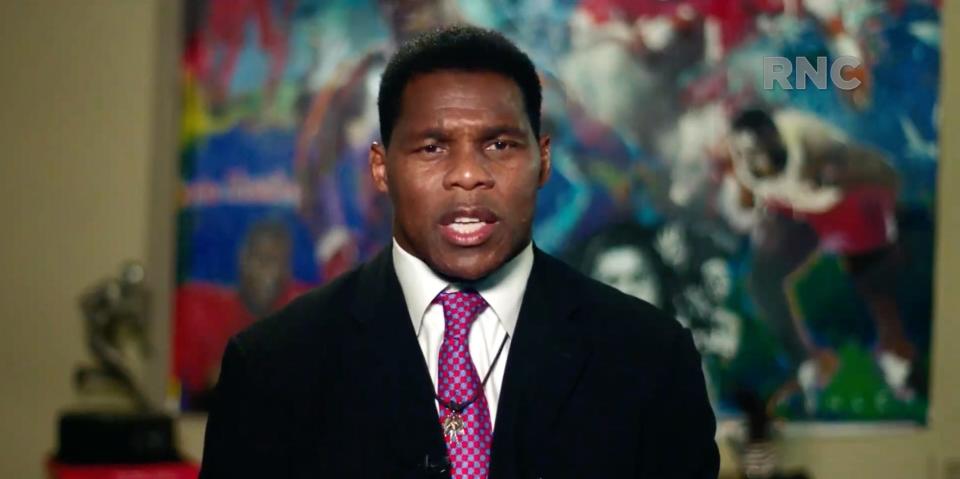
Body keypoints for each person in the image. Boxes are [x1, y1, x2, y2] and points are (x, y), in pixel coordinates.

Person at [200, 26, 718, 478]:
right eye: (432, 147)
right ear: (381, 168)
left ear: (542, 160)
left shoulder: (650, 360)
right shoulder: (272, 367)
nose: (469, 174)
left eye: (499, 145)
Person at [727, 108, 916, 411]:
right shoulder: (747, 170)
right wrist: (764, 213)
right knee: (762, 280)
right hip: (803, 209)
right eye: (748, 151)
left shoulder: (812, 143)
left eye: (764, 146)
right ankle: (807, 362)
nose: (758, 157)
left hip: (850, 197)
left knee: (873, 277)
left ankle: (897, 356)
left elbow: (855, 178)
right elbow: (750, 203)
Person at [174, 219, 309, 409]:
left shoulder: (306, 312)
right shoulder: (203, 312)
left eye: (278, 262)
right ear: (242, 258)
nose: (270, 272)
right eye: (261, 259)